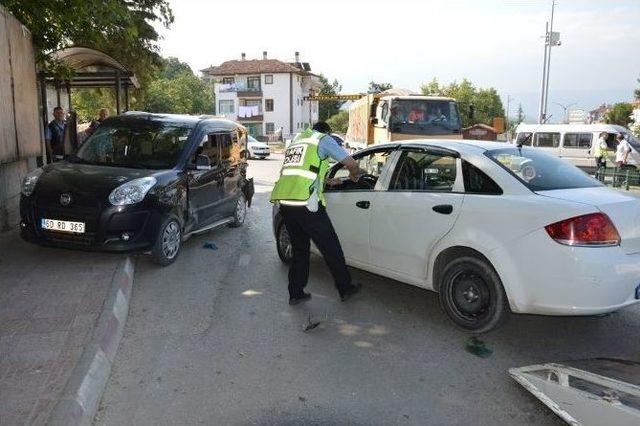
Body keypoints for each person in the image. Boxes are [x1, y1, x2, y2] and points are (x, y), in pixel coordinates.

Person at [271, 122, 362, 305]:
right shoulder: (323, 139)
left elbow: (301, 172)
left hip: (286, 203)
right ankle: (345, 288)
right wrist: (354, 174)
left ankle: (295, 292)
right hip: (307, 204)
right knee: (331, 247)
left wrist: (327, 181)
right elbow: (351, 163)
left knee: (300, 249)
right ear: (326, 132)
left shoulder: (298, 141)